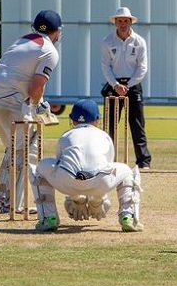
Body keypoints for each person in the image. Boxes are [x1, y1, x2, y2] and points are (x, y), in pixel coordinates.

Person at [0, 10, 63, 213]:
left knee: (14, 147)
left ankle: (3, 197)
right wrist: (34, 108)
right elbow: (36, 86)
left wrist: (38, 104)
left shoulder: (23, 40)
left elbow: (23, 80)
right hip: (7, 99)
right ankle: (10, 202)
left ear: (35, 27)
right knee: (26, 148)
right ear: (58, 31)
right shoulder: (50, 51)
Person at [29, 99, 144, 232]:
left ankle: (49, 218)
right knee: (128, 171)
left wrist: (74, 196)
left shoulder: (66, 135)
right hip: (101, 182)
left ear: (72, 120)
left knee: (40, 168)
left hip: (67, 182)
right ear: (97, 120)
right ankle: (128, 217)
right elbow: (107, 166)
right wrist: (99, 198)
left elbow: (60, 164)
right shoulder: (104, 135)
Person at [101, 7, 151, 169]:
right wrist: (116, 85)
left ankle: (143, 162)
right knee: (110, 125)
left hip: (133, 86)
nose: (123, 24)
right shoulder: (107, 42)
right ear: (115, 22)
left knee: (137, 124)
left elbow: (142, 67)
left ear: (130, 22)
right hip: (114, 86)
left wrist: (128, 86)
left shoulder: (139, 41)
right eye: (120, 21)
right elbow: (105, 66)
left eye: (125, 21)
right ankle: (108, 160)